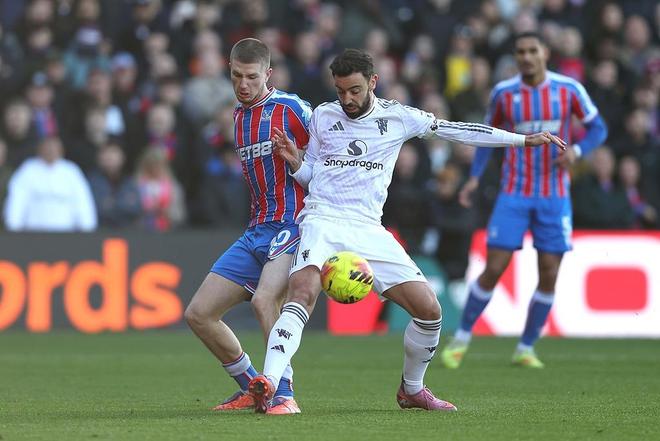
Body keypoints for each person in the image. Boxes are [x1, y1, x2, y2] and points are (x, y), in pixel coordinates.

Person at [246, 48, 565, 413]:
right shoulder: (323, 115)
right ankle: (271, 383)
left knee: (429, 309)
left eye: (354, 90)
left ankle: (411, 389)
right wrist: (297, 164)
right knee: (301, 291)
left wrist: (521, 140)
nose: (347, 99)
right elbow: (314, 175)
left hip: (368, 227)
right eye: (340, 91)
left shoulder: (398, 117)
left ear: (373, 82)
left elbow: (457, 131)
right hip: (323, 218)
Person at [440, 32, 608, 369]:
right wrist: (474, 177)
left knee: (549, 271)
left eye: (533, 50)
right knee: (494, 267)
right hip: (514, 192)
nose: (527, 57)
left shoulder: (569, 89)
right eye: (521, 52)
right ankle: (461, 340)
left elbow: (598, 128)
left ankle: (526, 347)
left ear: (545, 52)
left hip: (554, 195)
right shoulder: (504, 93)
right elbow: (487, 137)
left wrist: (576, 151)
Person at [183, 38, 312, 415]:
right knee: (199, 314)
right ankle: (252, 387)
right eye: (237, 76)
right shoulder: (238, 117)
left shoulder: (292, 109)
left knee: (264, 300)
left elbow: (330, 159)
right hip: (256, 229)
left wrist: (299, 162)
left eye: (252, 77)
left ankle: (284, 393)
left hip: (292, 223)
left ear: (268, 74)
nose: (243, 84)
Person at [3, 135, 97, 232]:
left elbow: (82, 201)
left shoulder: (71, 171)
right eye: (48, 147)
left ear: (61, 150)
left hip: (66, 234)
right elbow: (17, 200)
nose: (51, 150)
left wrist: (87, 228)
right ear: (40, 149)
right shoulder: (27, 170)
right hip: (33, 234)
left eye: (54, 147)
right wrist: (13, 228)